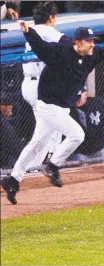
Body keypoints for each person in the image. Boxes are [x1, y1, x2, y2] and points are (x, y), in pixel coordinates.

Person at [0, 20, 104, 205]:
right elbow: (39, 46)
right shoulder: (61, 52)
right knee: (77, 134)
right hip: (48, 105)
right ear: (77, 43)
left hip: (61, 107)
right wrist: (28, 32)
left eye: (93, 40)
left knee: (37, 144)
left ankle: (12, 180)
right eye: (88, 41)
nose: (92, 44)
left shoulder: (93, 54)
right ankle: (52, 165)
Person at [21, 2, 70, 168]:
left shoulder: (32, 31)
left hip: (28, 84)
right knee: (49, 130)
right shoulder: (47, 30)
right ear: (51, 17)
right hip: (41, 87)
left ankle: (37, 166)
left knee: (47, 130)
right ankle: (39, 165)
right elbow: (68, 43)